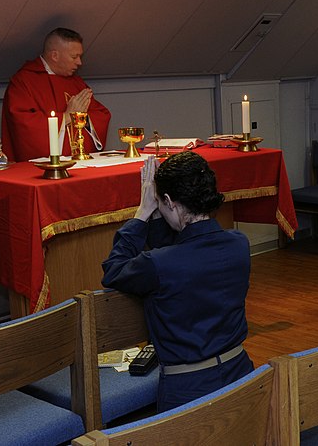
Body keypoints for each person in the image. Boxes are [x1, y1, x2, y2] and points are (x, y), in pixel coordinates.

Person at [102, 152, 254, 412]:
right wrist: (162, 211)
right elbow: (183, 252)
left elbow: (113, 271)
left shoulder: (158, 264)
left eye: (162, 203)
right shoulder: (239, 243)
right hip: (241, 373)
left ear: (170, 202)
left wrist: (143, 212)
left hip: (188, 389)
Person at [1, 27, 111, 162]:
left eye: (80, 56)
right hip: (41, 168)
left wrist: (81, 117)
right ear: (54, 56)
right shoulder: (24, 81)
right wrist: (65, 117)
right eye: (74, 57)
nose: (79, 62)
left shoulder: (76, 82)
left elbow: (101, 114)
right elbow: (23, 124)